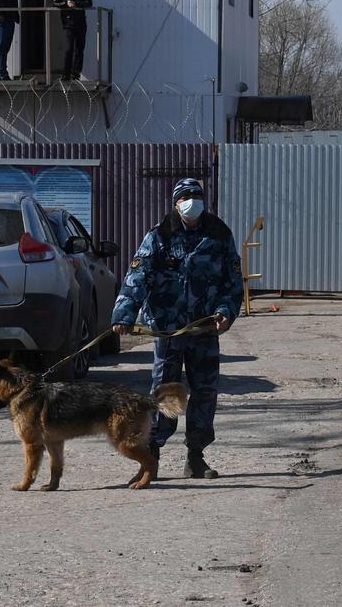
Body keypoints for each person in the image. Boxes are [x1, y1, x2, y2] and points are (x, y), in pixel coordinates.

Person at [110, 177, 242, 479]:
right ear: (175, 203)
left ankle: (196, 456)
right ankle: (150, 457)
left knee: (205, 393)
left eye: (196, 195)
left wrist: (225, 311)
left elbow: (232, 282)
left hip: (204, 329)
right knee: (162, 394)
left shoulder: (219, 235)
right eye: (186, 196)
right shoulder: (159, 236)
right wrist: (124, 314)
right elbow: (137, 277)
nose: (192, 200)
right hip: (167, 331)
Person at [50, 0, 93, 81]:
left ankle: (76, 73)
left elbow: (89, 2)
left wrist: (76, 4)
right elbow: (54, 2)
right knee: (69, 49)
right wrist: (65, 4)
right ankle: (66, 73)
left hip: (81, 22)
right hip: (68, 23)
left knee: (80, 49)